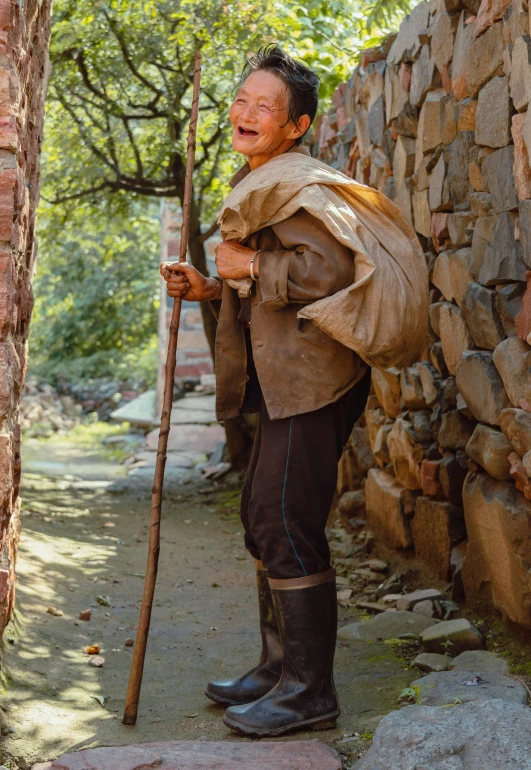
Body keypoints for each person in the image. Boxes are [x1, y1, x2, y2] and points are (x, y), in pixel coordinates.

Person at [161, 44, 372, 738]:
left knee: (285, 523)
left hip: (311, 382)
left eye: (265, 107)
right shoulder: (264, 180)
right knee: (262, 517)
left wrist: (248, 260)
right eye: (242, 100)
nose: (245, 113)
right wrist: (214, 286)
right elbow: (268, 288)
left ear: (296, 127)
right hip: (280, 383)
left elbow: (331, 272)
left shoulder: (301, 185)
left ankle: (311, 692)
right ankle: (278, 668)